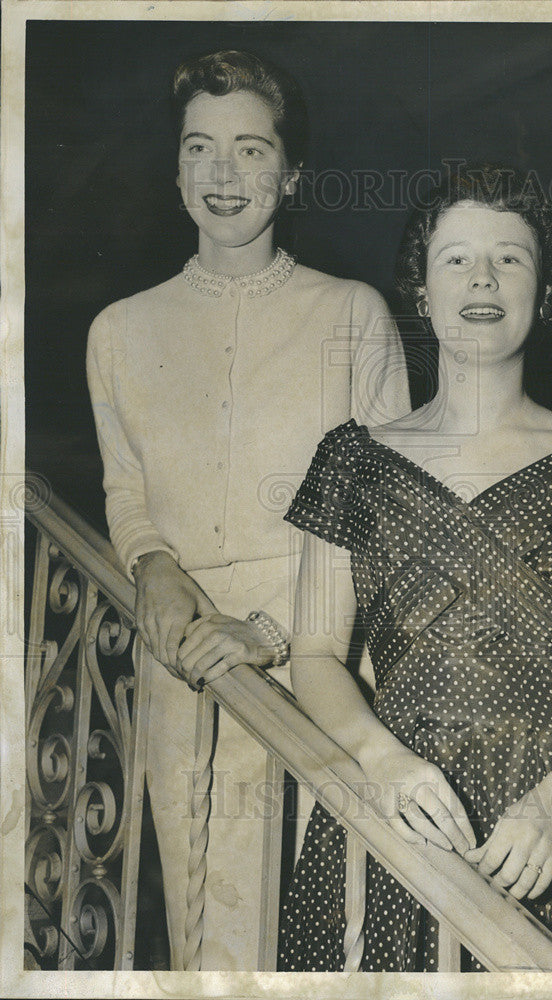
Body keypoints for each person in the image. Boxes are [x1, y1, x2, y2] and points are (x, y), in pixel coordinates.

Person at [270, 165, 552, 971]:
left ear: (545, 290)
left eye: (511, 258)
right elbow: (314, 654)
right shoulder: (351, 461)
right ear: (420, 291)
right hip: (400, 802)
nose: (484, 279)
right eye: (456, 258)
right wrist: (378, 756)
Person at [86, 49, 410, 970]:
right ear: (175, 167)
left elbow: (385, 520)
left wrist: (271, 630)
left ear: (292, 172)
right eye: (200, 149)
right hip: (181, 658)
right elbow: (125, 487)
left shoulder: (353, 316)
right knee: (207, 940)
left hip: (317, 658)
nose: (223, 177)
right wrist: (151, 565)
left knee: (321, 937)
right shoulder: (119, 329)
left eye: (251, 150)